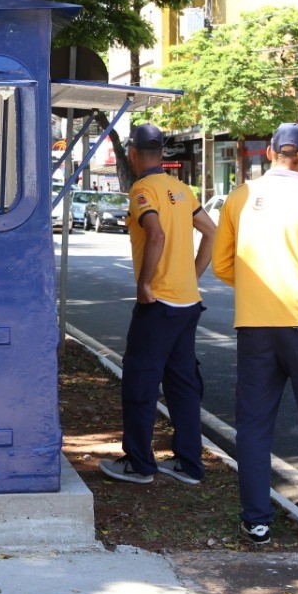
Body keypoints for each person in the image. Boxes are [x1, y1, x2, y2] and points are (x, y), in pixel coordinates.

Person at [212, 123, 298, 545]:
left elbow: (221, 265)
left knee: (253, 426)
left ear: (268, 152)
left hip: (254, 327)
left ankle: (256, 520)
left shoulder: (239, 197)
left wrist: (256, 289)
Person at [99, 123, 216, 486]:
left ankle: (139, 462)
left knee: (140, 380)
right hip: (187, 302)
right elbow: (210, 231)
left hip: (159, 302)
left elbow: (157, 233)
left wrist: (145, 282)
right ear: (161, 153)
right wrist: (193, 274)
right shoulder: (182, 190)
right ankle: (189, 464)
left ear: (132, 154)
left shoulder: (141, 189)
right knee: (182, 383)